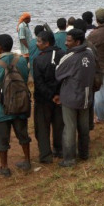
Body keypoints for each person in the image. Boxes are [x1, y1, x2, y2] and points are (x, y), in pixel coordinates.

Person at [0, 34, 31, 176]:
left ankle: (4, 167)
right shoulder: (22, 61)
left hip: (1, 107)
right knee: (23, 134)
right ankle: (27, 160)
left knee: (2, 138)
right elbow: (24, 78)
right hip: (20, 103)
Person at [55, 29, 96, 167]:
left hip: (71, 97)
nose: (66, 43)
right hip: (86, 96)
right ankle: (84, 154)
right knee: (84, 127)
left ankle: (69, 159)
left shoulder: (70, 57)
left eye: (68, 41)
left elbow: (58, 73)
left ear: (77, 42)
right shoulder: (90, 53)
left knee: (70, 128)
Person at [32, 30, 65, 163]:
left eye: (39, 41)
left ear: (47, 43)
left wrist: (51, 95)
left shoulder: (39, 59)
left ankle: (45, 155)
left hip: (43, 99)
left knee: (42, 127)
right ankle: (59, 149)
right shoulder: (63, 55)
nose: (36, 44)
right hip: (60, 97)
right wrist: (57, 95)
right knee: (59, 125)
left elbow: (38, 83)